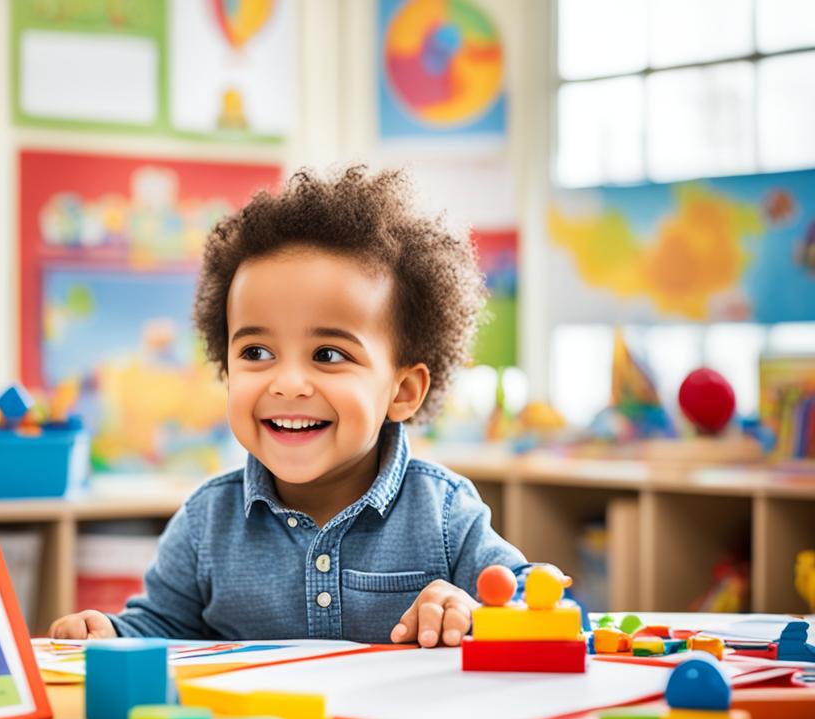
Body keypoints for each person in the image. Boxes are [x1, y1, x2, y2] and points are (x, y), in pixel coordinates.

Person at [50, 167, 529, 647]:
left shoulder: (445, 513)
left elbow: (532, 600)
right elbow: (159, 628)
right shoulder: (205, 521)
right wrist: (107, 632)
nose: (289, 383)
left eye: (328, 355)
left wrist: (474, 609)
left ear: (401, 391)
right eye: (256, 353)